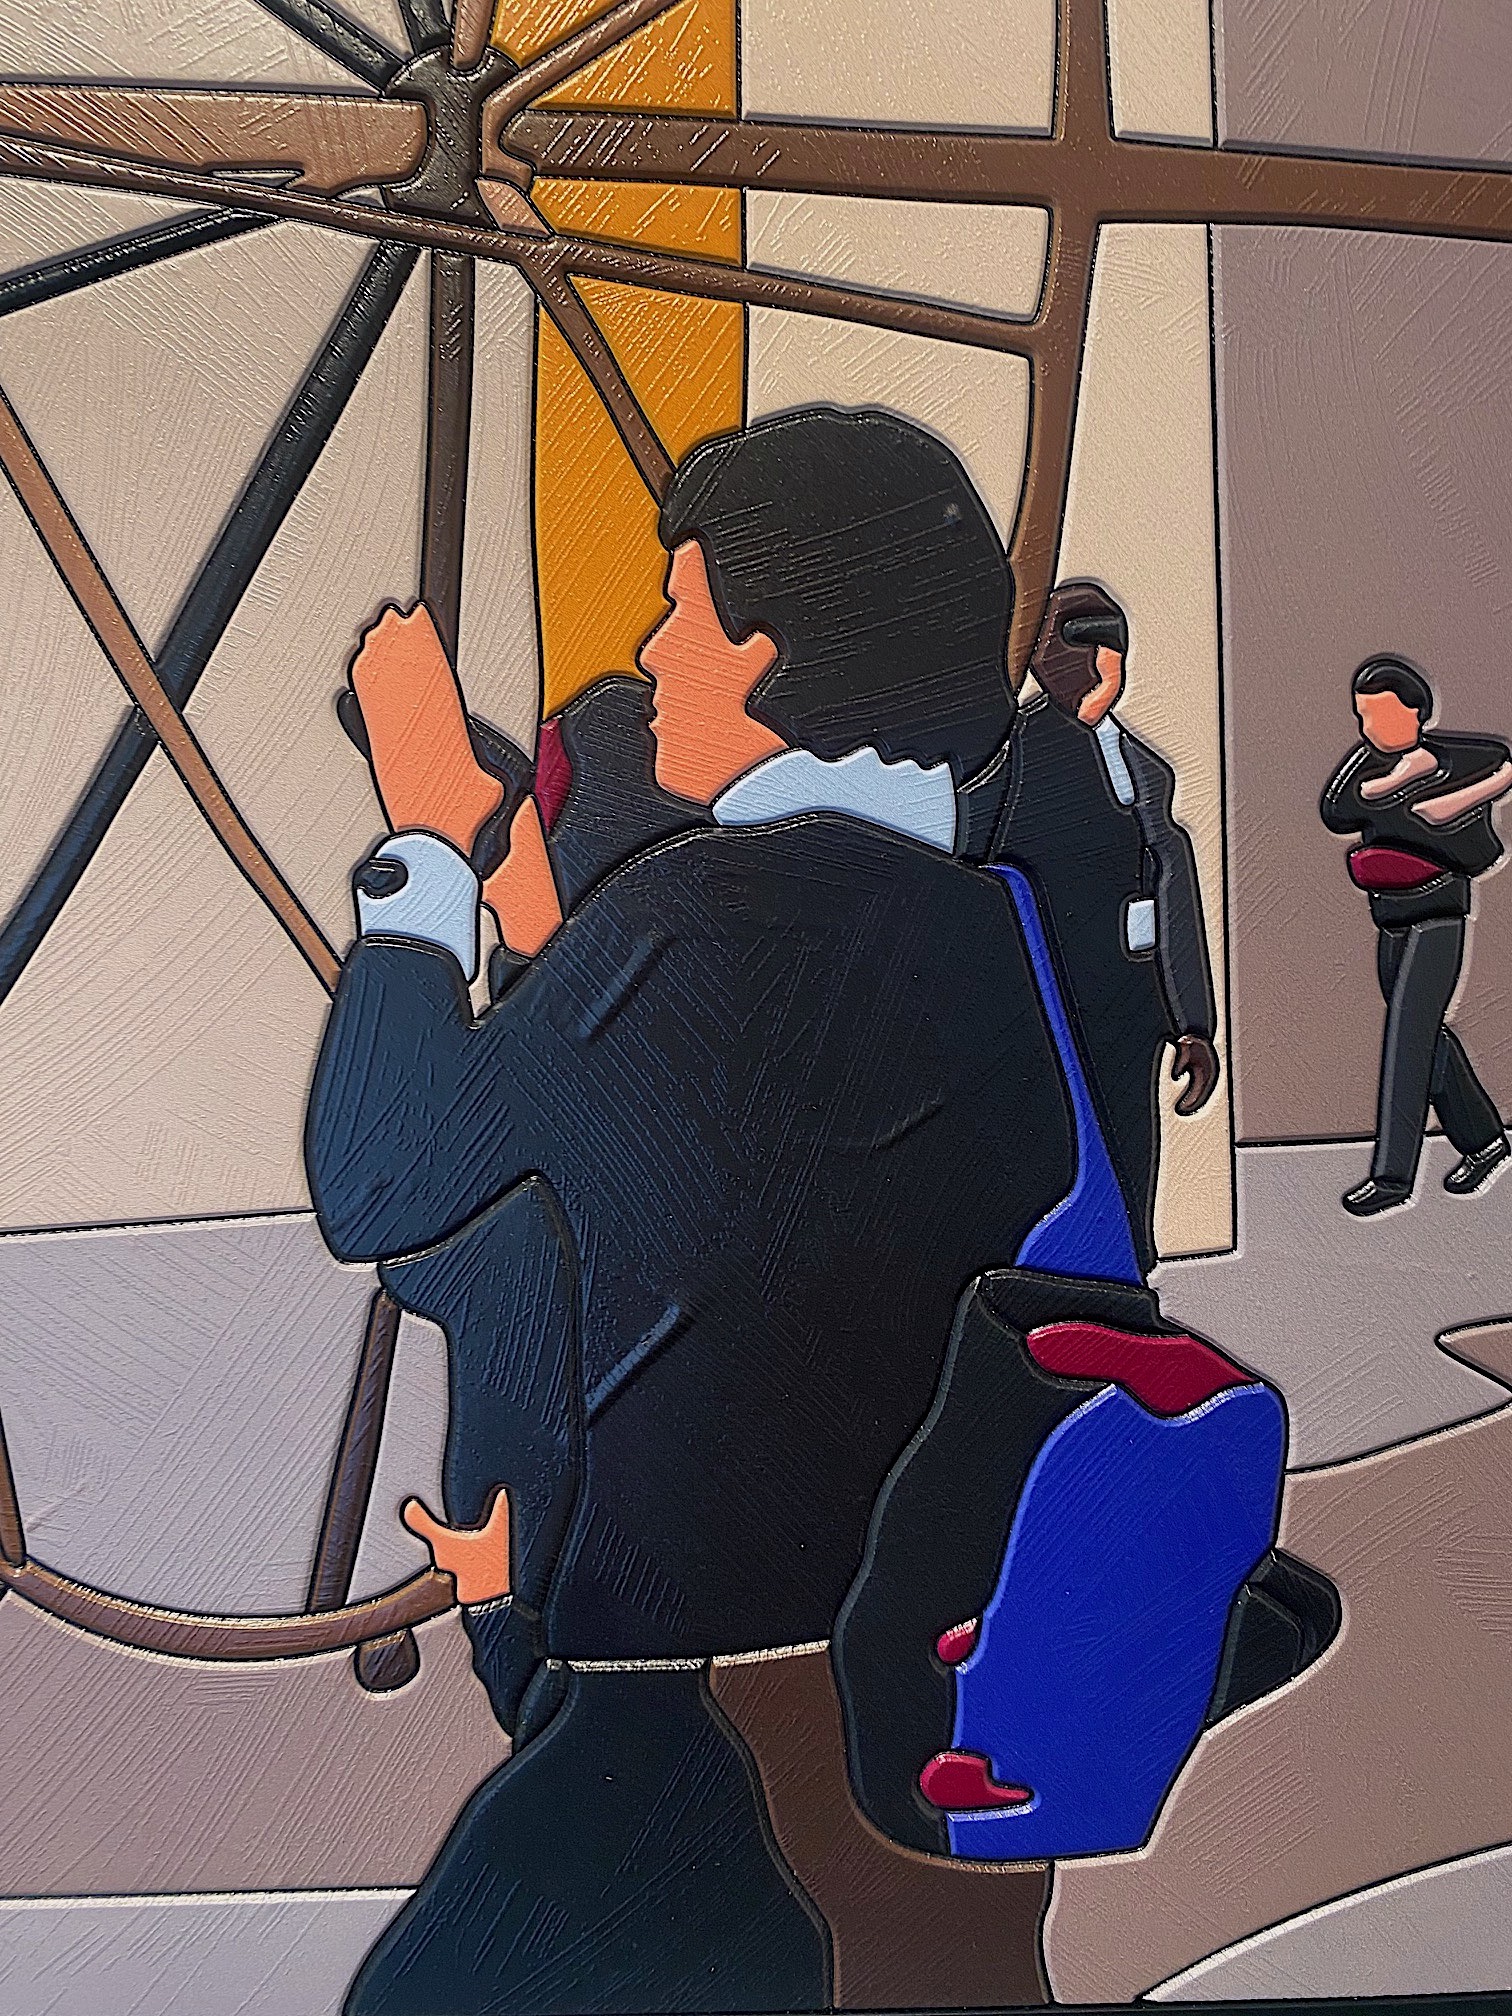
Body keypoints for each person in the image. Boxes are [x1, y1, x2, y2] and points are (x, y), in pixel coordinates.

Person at [306, 407, 1082, 2015]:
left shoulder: (701, 923)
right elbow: (711, 1259)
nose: (655, 653)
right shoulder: (987, 937)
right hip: (923, 1699)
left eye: (686, 612)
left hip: (711, 1709)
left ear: (776, 654)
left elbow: (382, 1175)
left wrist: (427, 842)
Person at [960, 581, 1219, 1277]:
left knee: (1131, 1143)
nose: (1101, 667)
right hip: (1046, 1004)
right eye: (1080, 649)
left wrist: (1193, 1023)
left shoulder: (1147, 770)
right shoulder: (1011, 760)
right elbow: (974, 872)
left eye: (1110, 650)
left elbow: (1175, 895)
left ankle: (1131, 1274)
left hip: (1132, 1006)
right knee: (1053, 1155)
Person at [1320, 655, 1511, 1216]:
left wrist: (1453, 799)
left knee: (1407, 1040)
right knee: (1426, 1037)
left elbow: (1502, 761)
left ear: (1416, 712)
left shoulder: (1451, 757)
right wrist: (1398, 778)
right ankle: (1485, 1142)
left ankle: (1392, 1177)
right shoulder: (1369, 765)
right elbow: (1336, 810)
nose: (1370, 727)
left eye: (1380, 715)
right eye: (1363, 716)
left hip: (1439, 915)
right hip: (1392, 917)